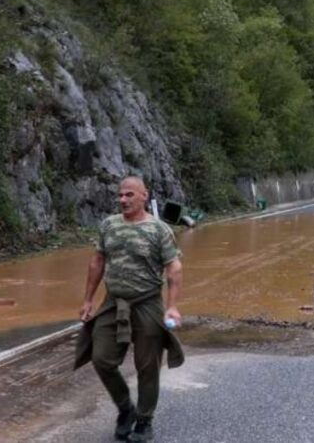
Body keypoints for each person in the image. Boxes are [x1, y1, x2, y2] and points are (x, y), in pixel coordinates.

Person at [76, 176, 184, 442]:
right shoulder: (108, 226)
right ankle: (126, 409)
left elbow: (173, 268)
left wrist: (171, 307)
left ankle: (144, 421)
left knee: (147, 366)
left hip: (147, 302)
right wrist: (88, 299)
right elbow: (97, 262)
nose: (123, 200)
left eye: (129, 195)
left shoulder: (159, 230)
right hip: (113, 302)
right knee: (101, 358)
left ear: (143, 196)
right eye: (120, 195)